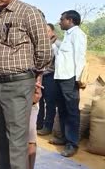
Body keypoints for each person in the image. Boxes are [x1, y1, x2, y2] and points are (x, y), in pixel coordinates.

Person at [0, 0, 52, 169]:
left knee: (16, 139)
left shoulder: (28, 13)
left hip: (19, 84)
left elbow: (44, 51)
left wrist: (32, 78)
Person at [49, 10, 87, 157]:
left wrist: (78, 79)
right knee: (63, 109)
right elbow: (63, 55)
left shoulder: (78, 35)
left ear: (70, 20)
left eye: (62, 19)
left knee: (72, 112)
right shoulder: (67, 36)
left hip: (70, 79)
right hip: (60, 77)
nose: (60, 22)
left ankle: (72, 144)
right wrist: (55, 42)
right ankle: (64, 138)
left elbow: (80, 57)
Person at [37, 23, 62, 134]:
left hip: (51, 77)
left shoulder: (58, 44)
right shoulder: (40, 44)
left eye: (47, 31)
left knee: (50, 102)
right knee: (39, 101)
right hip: (40, 76)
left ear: (52, 32)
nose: (45, 33)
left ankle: (48, 126)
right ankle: (39, 124)